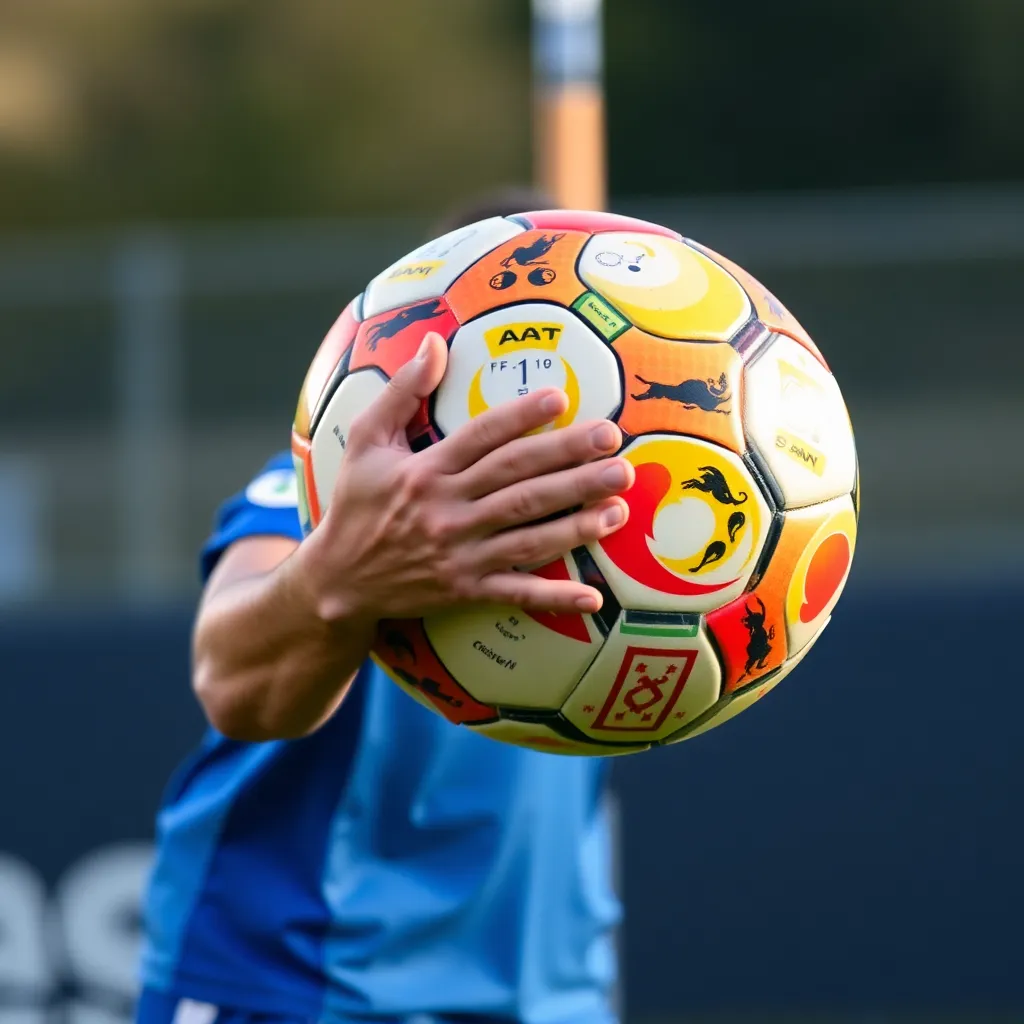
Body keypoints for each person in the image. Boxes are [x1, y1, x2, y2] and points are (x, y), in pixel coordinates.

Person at [136, 189, 635, 1024]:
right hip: (297, 984)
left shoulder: (635, 498)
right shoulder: (345, 489)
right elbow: (230, 677)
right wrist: (341, 576)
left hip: (544, 996)